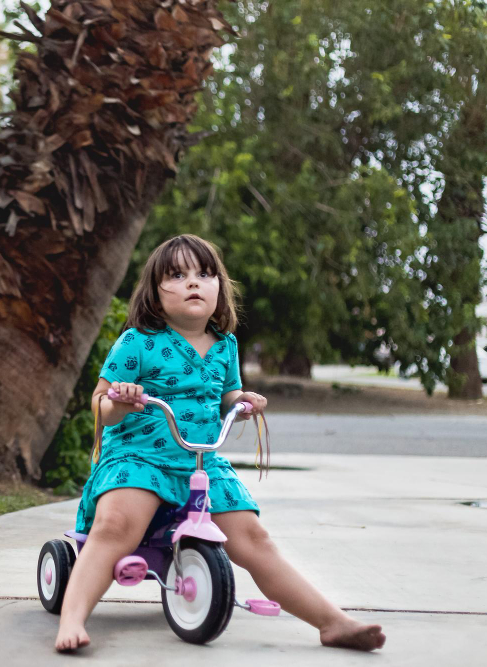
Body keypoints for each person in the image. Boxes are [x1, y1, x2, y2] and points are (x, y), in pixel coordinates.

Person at [54, 234, 386, 653]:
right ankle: (72, 617)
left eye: (204, 274)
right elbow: (100, 405)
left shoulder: (225, 344)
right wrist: (119, 400)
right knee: (116, 526)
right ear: (155, 293)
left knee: (254, 538)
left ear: (220, 287)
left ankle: (332, 623)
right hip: (140, 458)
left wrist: (242, 401)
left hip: (200, 462)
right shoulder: (137, 341)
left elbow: (226, 394)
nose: (193, 282)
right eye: (178, 275)